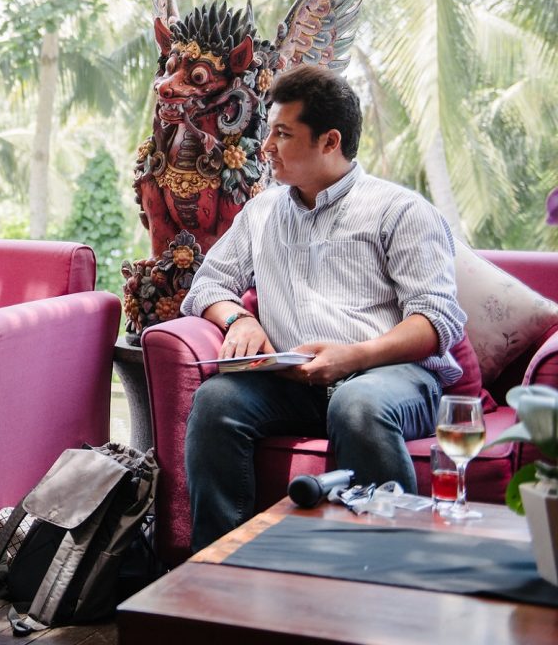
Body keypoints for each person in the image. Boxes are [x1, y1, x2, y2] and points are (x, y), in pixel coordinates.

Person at [181, 63, 467, 551]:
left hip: (391, 379)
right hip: (292, 383)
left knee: (358, 404)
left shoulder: (400, 210)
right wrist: (239, 317)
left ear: (329, 141)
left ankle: (394, 569)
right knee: (216, 401)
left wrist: (352, 357)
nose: (265, 147)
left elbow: (437, 321)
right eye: (268, 132)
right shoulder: (262, 211)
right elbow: (208, 284)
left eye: (282, 134)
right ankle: (217, 569)